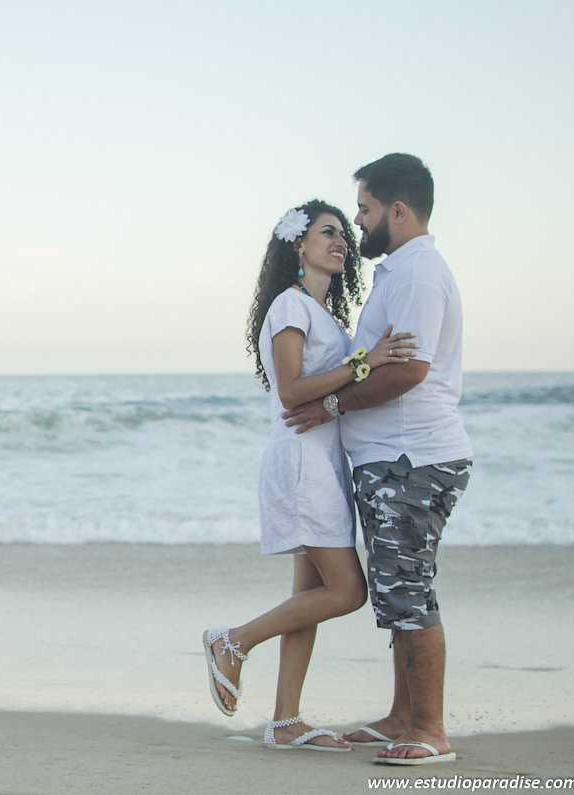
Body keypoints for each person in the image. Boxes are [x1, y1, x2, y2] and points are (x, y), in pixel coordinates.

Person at [202, 199, 417, 752]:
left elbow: (326, 389)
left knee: (310, 594)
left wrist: (360, 364)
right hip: (301, 461)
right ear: (298, 244)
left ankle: (285, 720)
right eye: (327, 232)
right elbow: (294, 389)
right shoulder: (290, 306)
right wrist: (368, 362)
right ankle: (234, 640)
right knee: (347, 591)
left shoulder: (321, 315)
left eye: (344, 232)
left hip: (321, 460)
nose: (341, 240)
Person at [282, 154, 473, 765]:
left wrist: (333, 405)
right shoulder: (398, 272)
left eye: (363, 210)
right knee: (397, 592)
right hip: (393, 458)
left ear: (397, 209)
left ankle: (431, 732)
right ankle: (401, 717)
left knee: (408, 592)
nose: (358, 224)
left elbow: (411, 371)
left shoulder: (417, 274)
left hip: (410, 457)